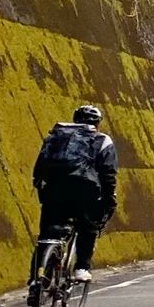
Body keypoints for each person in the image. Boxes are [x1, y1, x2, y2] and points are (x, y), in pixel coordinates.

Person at [30, 104, 118, 291]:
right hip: (84, 191)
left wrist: (41, 188)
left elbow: (39, 168)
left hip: (53, 190)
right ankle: (82, 268)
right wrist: (109, 198)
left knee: (47, 235)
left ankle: (36, 279)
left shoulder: (54, 136)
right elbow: (108, 173)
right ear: (97, 123)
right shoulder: (102, 140)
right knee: (88, 226)